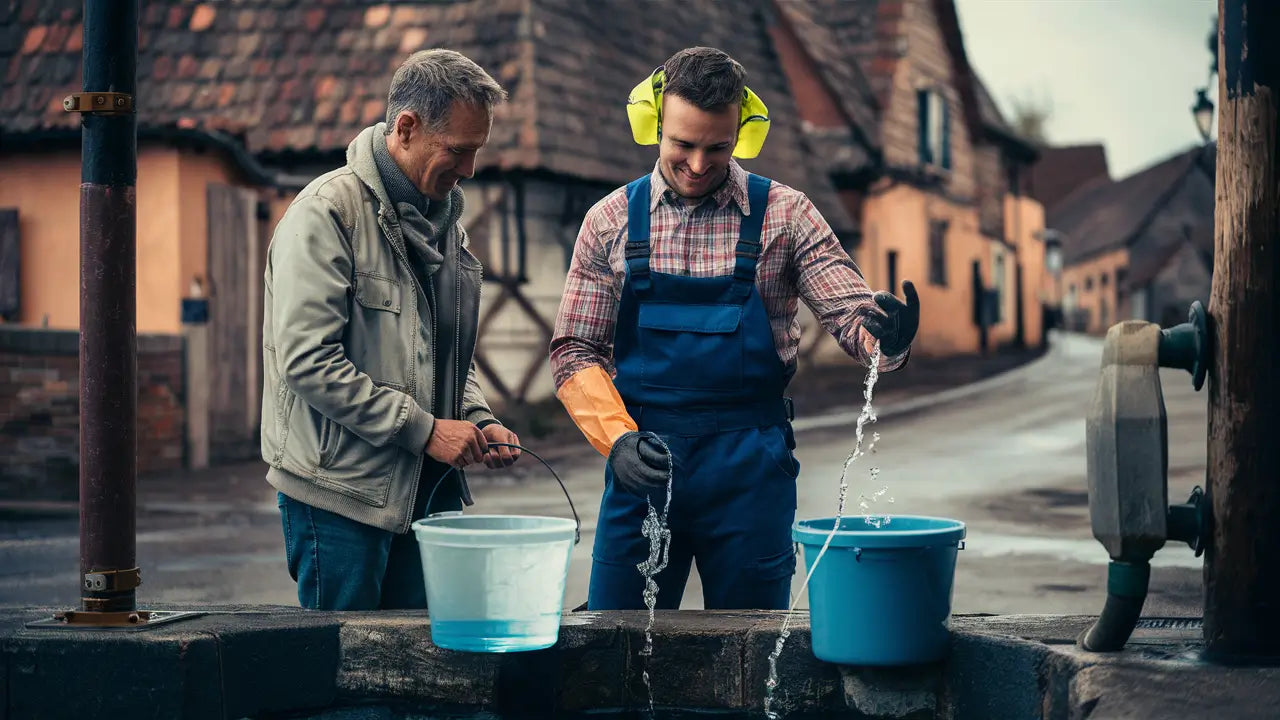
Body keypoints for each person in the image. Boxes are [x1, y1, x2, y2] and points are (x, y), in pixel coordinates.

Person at [549, 47, 920, 611]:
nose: (698, 164)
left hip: (751, 469)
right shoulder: (609, 222)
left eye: (716, 147)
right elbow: (576, 351)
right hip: (643, 463)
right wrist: (617, 440)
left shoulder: (787, 215)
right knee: (613, 645)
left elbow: (852, 319)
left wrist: (887, 340)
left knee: (753, 646)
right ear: (654, 125)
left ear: (740, 136)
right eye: (683, 144)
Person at [261, 49, 521, 611]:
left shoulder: (445, 223)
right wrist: (426, 430)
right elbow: (307, 362)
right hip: (338, 499)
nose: (470, 169)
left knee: (420, 671)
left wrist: (476, 418)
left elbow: (444, 354)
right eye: (459, 151)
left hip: (422, 494)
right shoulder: (326, 215)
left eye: (477, 151)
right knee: (343, 674)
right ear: (406, 129)